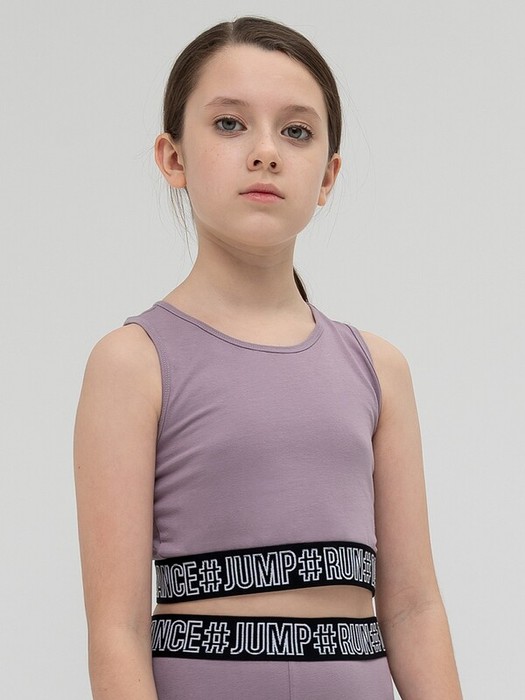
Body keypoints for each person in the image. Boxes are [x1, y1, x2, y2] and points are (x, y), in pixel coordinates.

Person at [73, 16, 463, 700]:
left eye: (296, 131)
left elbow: (412, 607)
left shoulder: (378, 369)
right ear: (172, 157)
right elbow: (117, 630)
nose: (265, 152)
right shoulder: (133, 364)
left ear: (328, 175)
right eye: (229, 124)